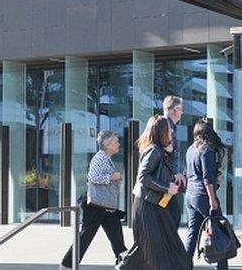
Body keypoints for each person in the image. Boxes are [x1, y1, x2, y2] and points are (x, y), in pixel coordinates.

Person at [117, 115, 190, 270]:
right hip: (147, 205)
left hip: (154, 203)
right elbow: (143, 177)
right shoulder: (154, 150)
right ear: (162, 131)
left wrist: (169, 153)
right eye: (169, 130)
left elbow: (161, 172)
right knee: (150, 245)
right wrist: (166, 187)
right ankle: (124, 266)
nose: (171, 132)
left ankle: (125, 266)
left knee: (159, 244)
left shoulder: (159, 150)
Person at [59, 130, 126, 269]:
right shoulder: (100, 157)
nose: (118, 144)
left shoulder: (106, 158)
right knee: (86, 236)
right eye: (115, 142)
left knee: (115, 232)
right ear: (107, 145)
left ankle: (123, 260)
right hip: (96, 205)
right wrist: (112, 177)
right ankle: (66, 264)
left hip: (105, 205)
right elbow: (93, 178)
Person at [184, 118, 228, 269]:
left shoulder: (191, 149)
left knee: (192, 233)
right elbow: (207, 178)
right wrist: (212, 199)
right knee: (219, 232)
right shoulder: (207, 149)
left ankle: (183, 266)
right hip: (203, 196)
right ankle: (221, 267)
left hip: (190, 196)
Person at [163, 95, 187, 223]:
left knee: (171, 211)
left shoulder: (170, 127)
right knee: (174, 213)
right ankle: (168, 242)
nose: (182, 113)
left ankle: (167, 241)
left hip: (171, 182)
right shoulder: (166, 128)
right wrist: (175, 173)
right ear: (174, 110)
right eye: (180, 109)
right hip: (168, 182)